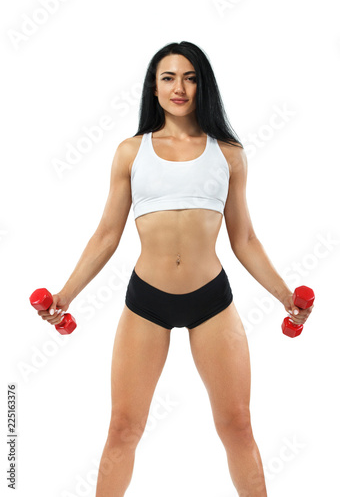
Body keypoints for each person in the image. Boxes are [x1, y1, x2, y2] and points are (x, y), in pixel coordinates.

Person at [37, 41, 313, 496]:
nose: (179, 87)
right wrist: (65, 296)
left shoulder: (228, 153)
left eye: (189, 77)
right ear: (154, 86)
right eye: (168, 77)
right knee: (124, 428)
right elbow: (107, 235)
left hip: (212, 301)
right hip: (147, 300)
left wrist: (286, 298)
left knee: (238, 427)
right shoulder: (131, 152)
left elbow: (244, 239)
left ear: (202, 84)